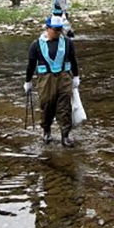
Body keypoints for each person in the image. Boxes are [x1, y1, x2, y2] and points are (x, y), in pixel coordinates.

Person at [25, 15, 80, 147]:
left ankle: (65, 135)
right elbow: (31, 64)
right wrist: (28, 82)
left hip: (64, 78)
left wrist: (76, 76)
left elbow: (73, 60)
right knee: (47, 105)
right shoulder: (36, 45)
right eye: (55, 30)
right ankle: (46, 130)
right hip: (45, 80)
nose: (58, 32)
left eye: (59, 30)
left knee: (64, 107)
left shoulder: (67, 42)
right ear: (47, 28)